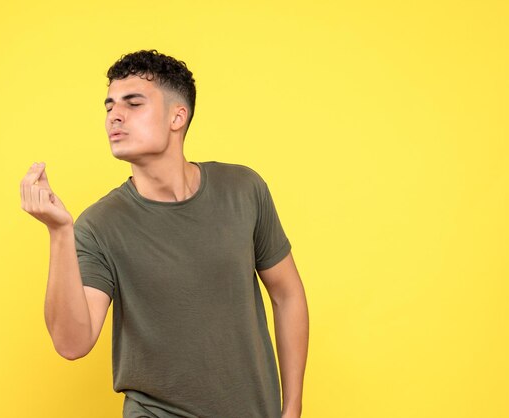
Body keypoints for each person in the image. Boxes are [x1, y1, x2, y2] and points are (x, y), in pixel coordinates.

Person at [20, 49, 309, 418]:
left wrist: (292, 407)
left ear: (178, 116)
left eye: (133, 103)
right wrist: (59, 231)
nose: (114, 117)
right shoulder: (99, 225)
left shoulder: (243, 189)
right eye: (109, 107)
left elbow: (287, 294)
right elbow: (71, 343)